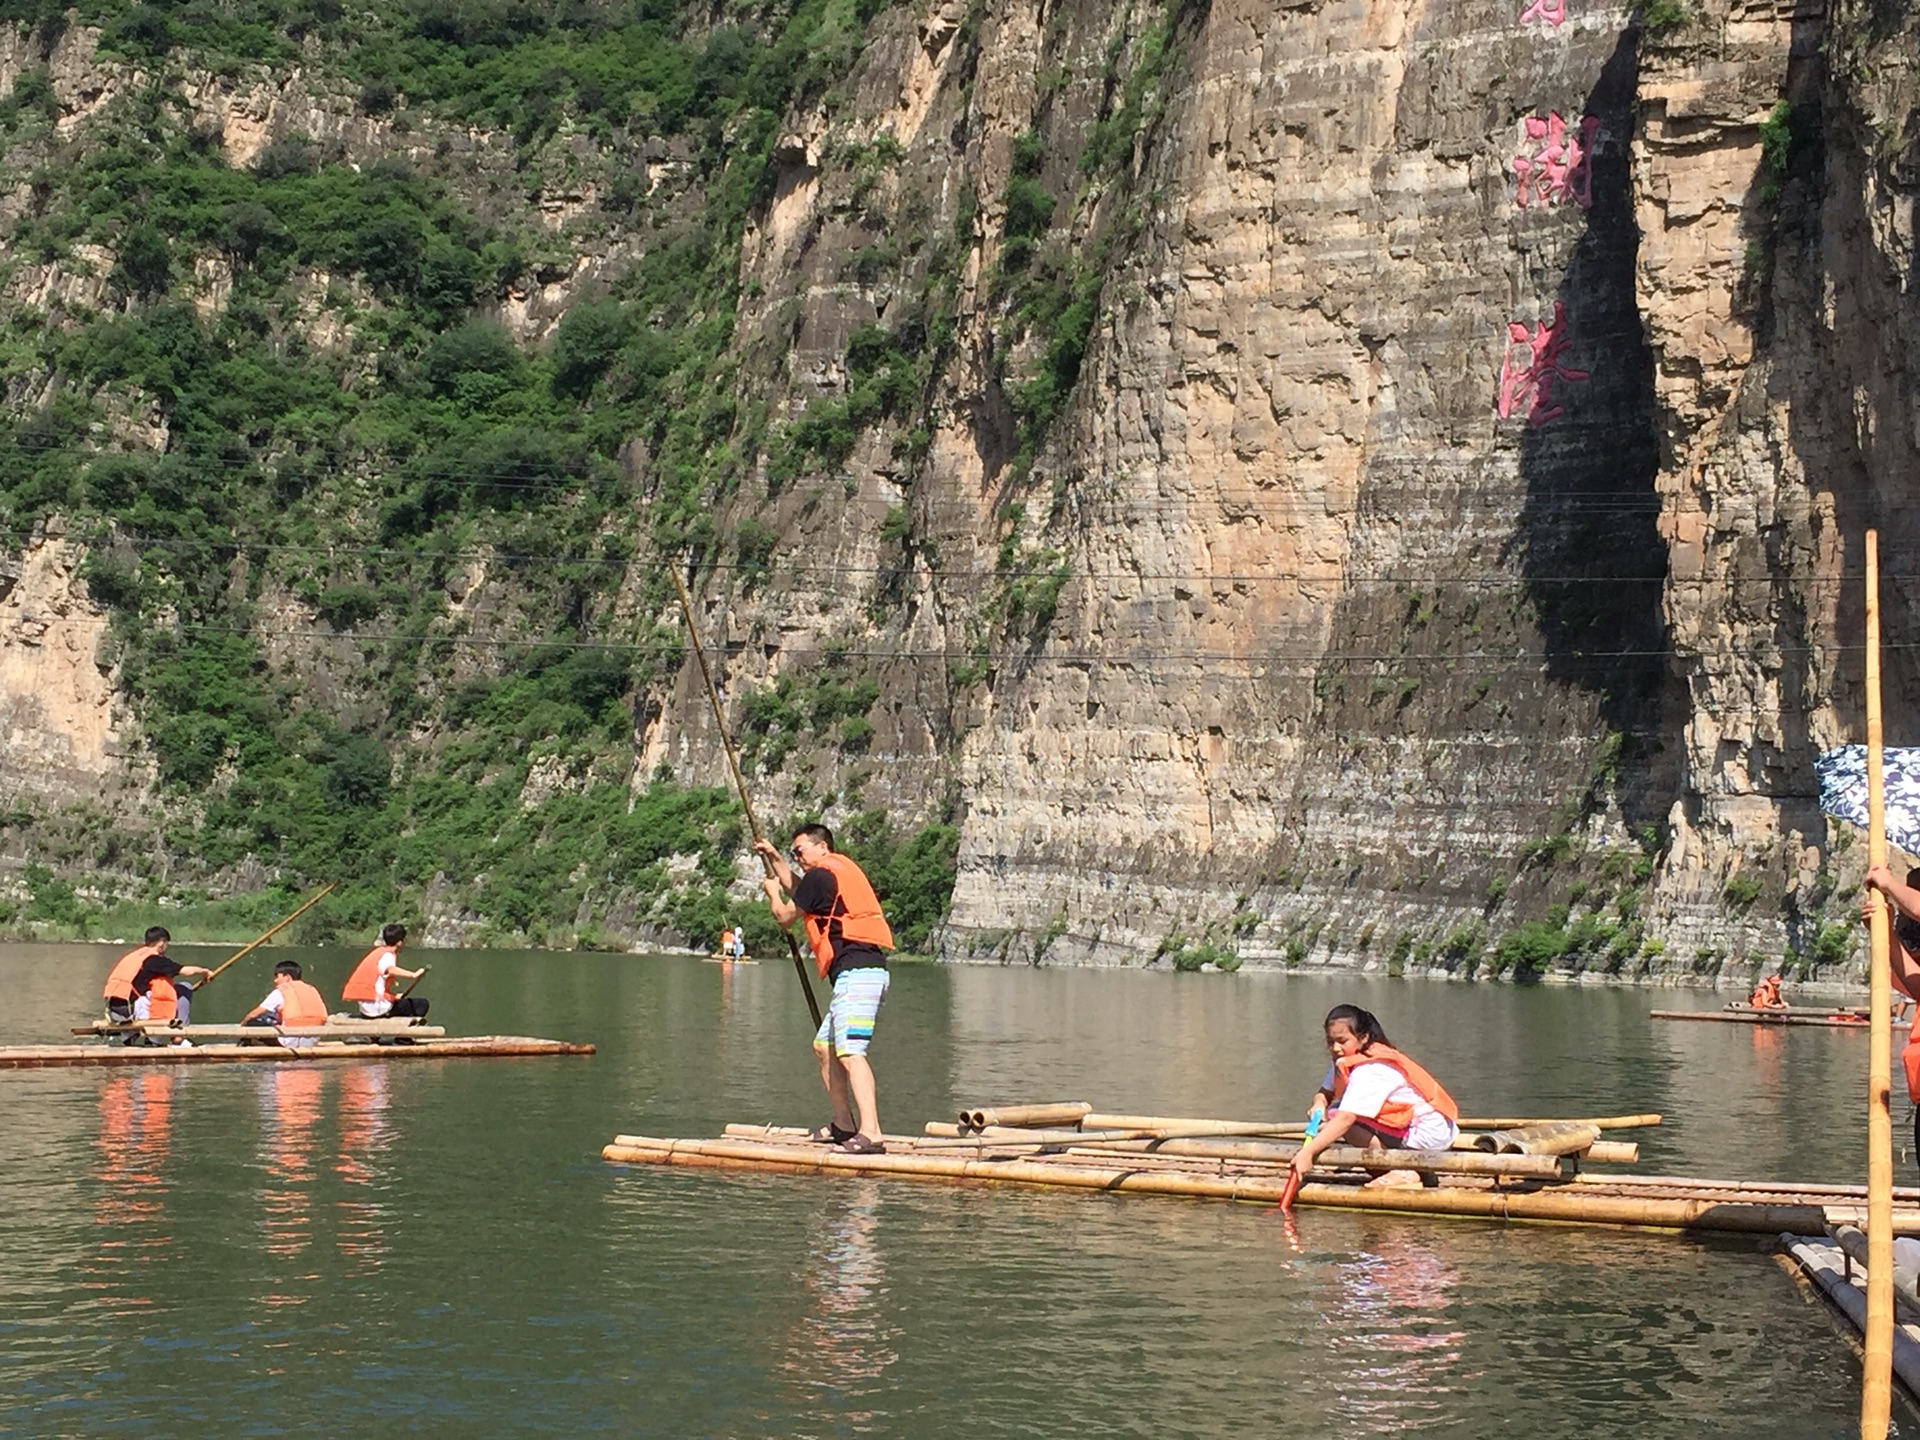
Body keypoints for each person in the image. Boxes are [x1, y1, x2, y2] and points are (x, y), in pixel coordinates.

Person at [754, 825, 895, 1154]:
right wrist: (775, 859)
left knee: (850, 1052)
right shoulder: (828, 875)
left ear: (822, 847)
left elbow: (786, 915)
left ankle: (871, 1132)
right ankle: (844, 1124)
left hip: (859, 972)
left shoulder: (823, 873)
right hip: (858, 972)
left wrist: (773, 892)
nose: (797, 857)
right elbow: (802, 892)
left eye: (800, 851)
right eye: (793, 854)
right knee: (824, 1047)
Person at [1288, 1004, 1460, 1192]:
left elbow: (1345, 1120)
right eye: (1330, 1042)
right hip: (1407, 1127)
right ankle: (1404, 1167)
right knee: (1333, 1112)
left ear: (1363, 1038)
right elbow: (1325, 1093)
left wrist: (1308, 1152)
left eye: (1342, 1041)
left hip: (1428, 1134)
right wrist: (1319, 1104)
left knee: (1343, 1122)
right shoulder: (1347, 1060)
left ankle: (1402, 1168)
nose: (1335, 1048)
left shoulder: (1372, 1069)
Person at [102, 927, 212, 1028]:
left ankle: (138, 1038)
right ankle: (180, 1035)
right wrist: (205, 971)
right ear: (161, 943)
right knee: (184, 987)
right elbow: (187, 971)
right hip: (131, 1009)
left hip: (114, 1008)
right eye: (166, 942)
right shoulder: (154, 960)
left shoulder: (135, 955)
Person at [341, 923, 428, 1019]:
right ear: (399, 942)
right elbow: (390, 969)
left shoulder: (378, 952)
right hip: (377, 1008)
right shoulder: (387, 955)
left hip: (366, 1007)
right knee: (422, 1004)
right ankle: (403, 1033)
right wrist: (413, 975)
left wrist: (394, 997)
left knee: (404, 1003)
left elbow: (379, 985)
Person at [242, 961, 330, 1047]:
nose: (275, 980)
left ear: (287, 977)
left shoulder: (282, 991)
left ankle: (245, 1046)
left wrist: (242, 1025)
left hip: (289, 1041)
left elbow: (253, 1014)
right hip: (312, 1041)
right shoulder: (311, 989)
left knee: (253, 1021)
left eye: (277, 976)